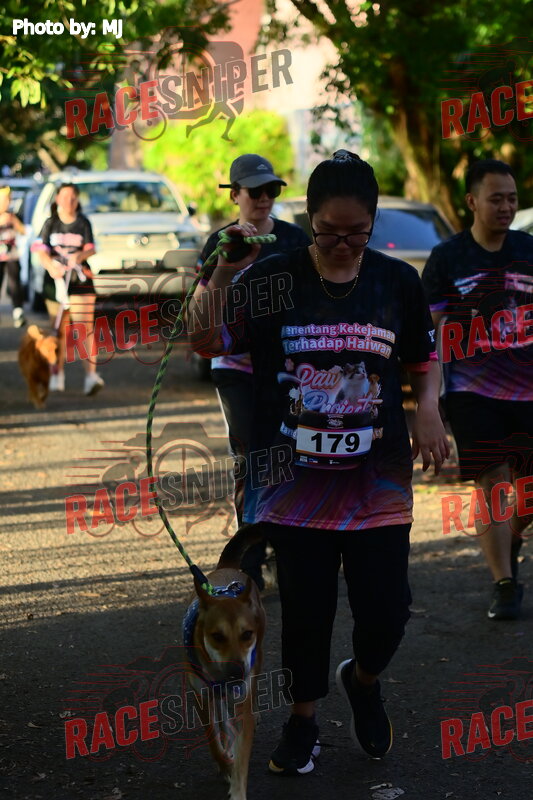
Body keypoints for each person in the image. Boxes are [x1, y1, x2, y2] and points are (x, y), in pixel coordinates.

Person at [189, 151, 449, 774]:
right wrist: (219, 275)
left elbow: (423, 360)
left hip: (377, 483)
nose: (342, 245)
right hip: (292, 486)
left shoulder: (396, 281)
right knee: (306, 612)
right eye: (329, 232)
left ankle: (363, 679)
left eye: (357, 233)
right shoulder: (272, 276)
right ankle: (302, 722)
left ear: (372, 223)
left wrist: (428, 410)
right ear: (308, 219)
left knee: (387, 612)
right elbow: (204, 339)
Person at [422, 159, 533, 621]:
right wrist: (428, 400)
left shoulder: (528, 249)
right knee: (492, 480)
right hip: (471, 391)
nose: (506, 207)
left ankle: (511, 537)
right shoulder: (448, 258)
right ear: (472, 201)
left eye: (512, 198)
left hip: (528, 389)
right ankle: (503, 583)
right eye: (496, 198)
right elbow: (428, 331)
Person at [196, 154, 310, 589]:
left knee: (290, 453)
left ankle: (288, 548)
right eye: (255, 191)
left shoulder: (295, 239)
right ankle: (250, 558)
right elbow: (202, 308)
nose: (264, 199)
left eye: (271, 191)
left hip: (288, 366)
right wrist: (226, 269)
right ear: (235, 195)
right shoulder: (221, 242)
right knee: (249, 457)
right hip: (235, 365)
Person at [32, 183, 104, 396]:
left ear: (78, 200)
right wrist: (50, 266)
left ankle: (91, 376)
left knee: (84, 328)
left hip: (78, 279)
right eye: (64, 197)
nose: (68, 201)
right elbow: (40, 249)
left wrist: (78, 257)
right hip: (56, 281)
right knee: (58, 330)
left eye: (73, 197)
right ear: (57, 199)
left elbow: (90, 248)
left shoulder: (83, 223)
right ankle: (57, 373)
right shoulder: (50, 223)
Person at [0, 185, 26, 328]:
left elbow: (23, 231)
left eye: (8, 200)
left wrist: (14, 221)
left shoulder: (13, 215)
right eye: (3, 199)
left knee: (14, 283)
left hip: (11, 255)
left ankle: (18, 311)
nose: (6, 203)